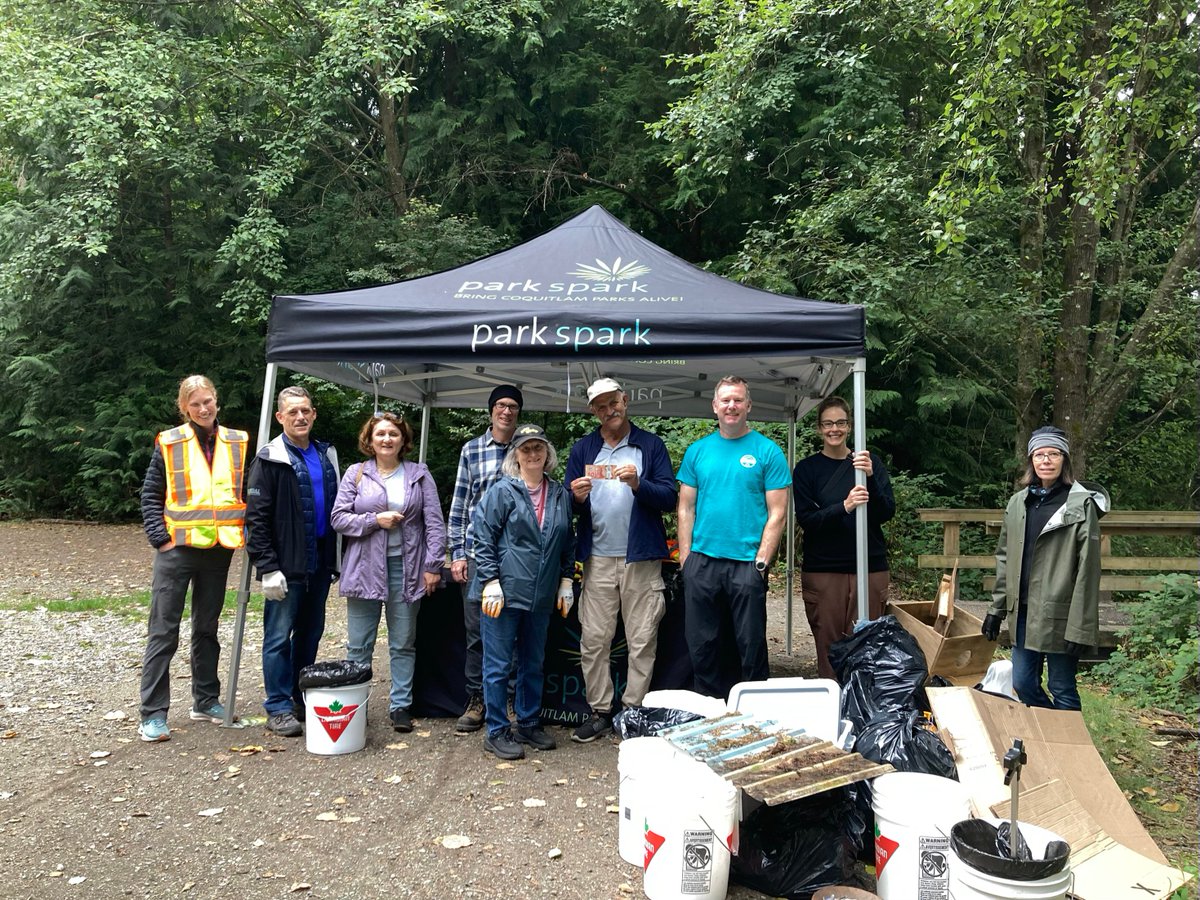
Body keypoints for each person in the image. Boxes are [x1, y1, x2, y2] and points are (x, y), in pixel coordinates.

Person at [137, 375, 248, 742]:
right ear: (184, 407)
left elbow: (244, 492)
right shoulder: (170, 443)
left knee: (207, 629)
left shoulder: (236, 441)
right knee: (163, 632)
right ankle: (152, 713)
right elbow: (151, 494)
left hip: (218, 550)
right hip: (177, 551)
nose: (204, 408)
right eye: (196, 403)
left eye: (208, 401)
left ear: (217, 401)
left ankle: (205, 700)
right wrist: (161, 540)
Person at [565, 377, 676, 742]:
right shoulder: (584, 449)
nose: (608, 410)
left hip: (641, 559)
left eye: (613, 402)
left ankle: (632, 712)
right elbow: (565, 504)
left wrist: (638, 484)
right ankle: (599, 710)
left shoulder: (650, 445)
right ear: (593, 412)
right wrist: (577, 497)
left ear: (625, 401)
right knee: (594, 639)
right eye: (600, 406)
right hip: (596, 558)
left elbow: (669, 498)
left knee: (642, 638)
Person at [676, 376, 791, 699]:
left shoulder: (768, 451)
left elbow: (778, 513)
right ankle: (708, 709)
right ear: (715, 407)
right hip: (703, 560)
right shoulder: (698, 451)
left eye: (738, 400)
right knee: (702, 643)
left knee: (750, 643)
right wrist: (687, 559)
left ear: (748, 406)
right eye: (725, 400)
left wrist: (762, 562)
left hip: (747, 564)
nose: (731, 405)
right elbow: (685, 508)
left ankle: (754, 711)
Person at [331, 412, 446, 733]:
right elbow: (338, 518)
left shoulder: (419, 475)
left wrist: (433, 565)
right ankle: (355, 706)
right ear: (369, 440)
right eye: (380, 434)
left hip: (407, 569)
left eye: (393, 434)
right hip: (365, 569)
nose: (386, 439)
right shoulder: (356, 474)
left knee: (403, 642)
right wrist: (374, 520)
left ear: (403, 440)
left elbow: (434, 523)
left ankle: (400, 706)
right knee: (359, 644)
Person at [982, 426, 1107, 710]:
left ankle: (1070, 749)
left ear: (1064, 460)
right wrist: (996, 609)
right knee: (1024, 682)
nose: (1046, 460)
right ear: (1031, 461)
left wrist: (1080, 628)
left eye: (1053, 453)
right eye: (1039, 454)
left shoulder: (1079, 505)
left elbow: (1089, 570)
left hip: (1060, 613)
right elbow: (1004, 557)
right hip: (1023, 611)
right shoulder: (1018, 503)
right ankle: (1050, 738)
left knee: (1061, 687)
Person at [471, 424, 574, 760]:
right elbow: (483, 537)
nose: (533, 454)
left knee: (533, 662)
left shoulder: (559, 493)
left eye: (538, 448)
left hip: (542, 594)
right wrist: (489, 581)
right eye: (526, 449)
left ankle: (528, 722)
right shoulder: (502, 491)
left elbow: (565, 542)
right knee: (498, 664)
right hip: (504, 592)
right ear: (515, 454)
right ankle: (496, 729)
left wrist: (566, 580)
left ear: (547, 454)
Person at [245, 386, 340, 738]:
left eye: (305, 411)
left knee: (311, 632)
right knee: (277, 636)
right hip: (285, 564)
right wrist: (267, 566)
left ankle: (302, 697)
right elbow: (255, 519)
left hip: (319, 561)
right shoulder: (269, 458)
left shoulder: (326, 454)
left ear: (313, 414)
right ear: (280, 417)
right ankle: (278, 705)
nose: (300, 417)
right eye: (292, 412)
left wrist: (336, 560)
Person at [791, 395, 895, 679]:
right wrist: (844, 507)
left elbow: (886, 512)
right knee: (830, 647)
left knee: (868, 644)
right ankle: (833, 705)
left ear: (849, 426)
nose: (833, 428)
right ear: (819, 428)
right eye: (827, 423)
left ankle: (864, 708)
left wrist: (871, 477)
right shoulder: (806, 470)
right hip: (824, 569)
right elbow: (808, 520)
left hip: (869, 566)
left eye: (840, 422)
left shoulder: (868, 463)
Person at [447, 385, 523, 732]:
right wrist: (457, 554)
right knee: (477, 632)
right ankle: (477, 699)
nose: (506, 412)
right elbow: (460, 503)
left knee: (513, 633)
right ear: (491, 410)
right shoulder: (471, 449)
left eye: (512, 407)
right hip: (478, 555)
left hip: (517, 556)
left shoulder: (527, 450)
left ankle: (507, 700)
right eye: (501, 406)